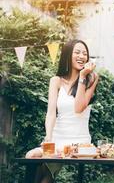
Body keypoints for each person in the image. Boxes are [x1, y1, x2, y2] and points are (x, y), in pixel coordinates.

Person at [25, 39, 99, 183]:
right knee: (32, 157)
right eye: (77, 52)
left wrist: (83, 76)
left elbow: (78, 108)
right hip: (57, 138)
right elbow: (51, 112)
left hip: (79, 142)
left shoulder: (92, 78)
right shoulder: (56, 80)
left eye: (85, 53)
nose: (82, 56)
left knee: (44, 178)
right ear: (67, 55)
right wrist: (48, 137)